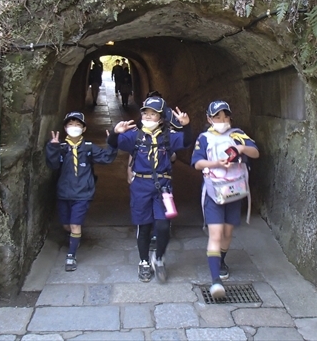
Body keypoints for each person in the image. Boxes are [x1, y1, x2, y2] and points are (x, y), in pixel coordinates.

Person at [108, 96, 192, 283]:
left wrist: (186, 126)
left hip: (163, 185)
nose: (147, 117)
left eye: (152, 114)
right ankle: (144, 262)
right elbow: (113, 144)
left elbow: (187, 142)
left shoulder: (168, 137)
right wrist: (115, 132)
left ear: (160, 118)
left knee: (163, 225)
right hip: (141, 186)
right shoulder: (134, 136)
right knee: (144, 226)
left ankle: (159, 257)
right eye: (145, 113)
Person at [191, 100, 259, 299]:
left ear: (230, 116)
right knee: (216, 233)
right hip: (214, 192)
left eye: (225, 116)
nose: (221, 120)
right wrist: (215, 164)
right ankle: (215, 282)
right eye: (217, 116)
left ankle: (220, 261)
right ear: (209, 119)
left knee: (228, 233)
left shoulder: (238, 134)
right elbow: (196, 163)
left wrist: (241, 149)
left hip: (234, 191)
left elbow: (255, 152)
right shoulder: (204, 138)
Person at [45, 111, 118, 271]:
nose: (74, 127)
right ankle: (74, 237)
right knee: (66, 225)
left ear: (84, 129)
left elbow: (107, 158)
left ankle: (71, 256)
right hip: (64, 192)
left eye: (78, 125)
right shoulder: (62, 147)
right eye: (71, 124)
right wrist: (53, 148)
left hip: (83, 193)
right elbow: (53, 165)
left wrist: (111, 144)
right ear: (65, 127)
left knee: (75, 224)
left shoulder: (89, 148)